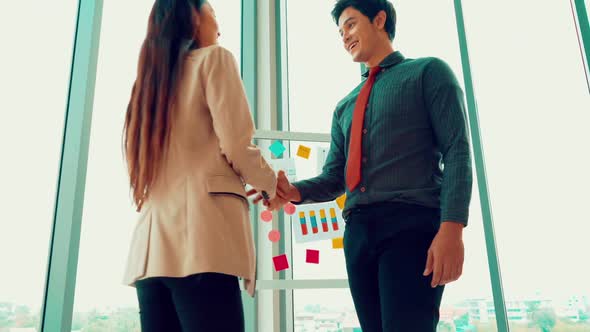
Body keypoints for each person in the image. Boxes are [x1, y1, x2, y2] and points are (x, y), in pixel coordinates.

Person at [252, 0, 473, 330]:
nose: (345, 37)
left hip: (411, 226)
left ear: (380, 19)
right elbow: (335, 177)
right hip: (358, 233)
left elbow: (458, 151)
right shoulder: (344, 107)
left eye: (351, 24)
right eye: (340, 32)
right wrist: (293, 191)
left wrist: (452, 228)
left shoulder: (428, 72)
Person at [121, 1, 277, 331]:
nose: (219, 28)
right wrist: (272, 183)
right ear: (193, 17)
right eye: (214, 15)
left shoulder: (148, 88)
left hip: (151, 258)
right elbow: (236, 144)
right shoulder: (214, 59)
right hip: (200, 246)